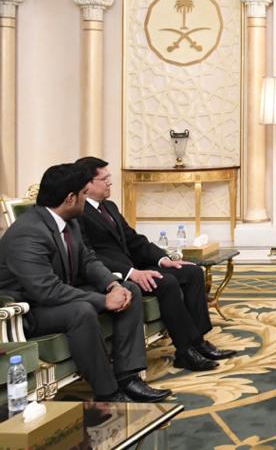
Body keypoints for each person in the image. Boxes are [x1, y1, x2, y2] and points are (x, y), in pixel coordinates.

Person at [0, 164, 171, 402]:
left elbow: (88, 260)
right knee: (81, 311)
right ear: (70, 198)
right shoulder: (27, 233)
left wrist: (113, 285)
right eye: (83, 193)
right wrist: (104, 300)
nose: (86, 197)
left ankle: (128, 378)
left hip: (60, 295)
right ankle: (108, 392)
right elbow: (46, 291)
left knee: (128, 289)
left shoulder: (69, 221)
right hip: (29, 310)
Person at [75, 157, 236, 371]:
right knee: (166, 283)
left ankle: (198, 342)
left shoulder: (109, 207)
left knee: (192, 272)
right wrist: (131, 272)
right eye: (104, 179)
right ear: (87, 184)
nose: (110, 182)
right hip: (115, 275)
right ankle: (185, 351)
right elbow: (89, 256)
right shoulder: (78, 212)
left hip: (135, 266)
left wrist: (164, 259)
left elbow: (134, 240)